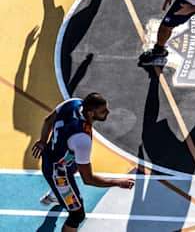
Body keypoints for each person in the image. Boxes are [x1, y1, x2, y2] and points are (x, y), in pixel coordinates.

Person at [32, 93, 134, 231]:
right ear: (91, 114)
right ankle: (57, 192)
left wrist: (43, 140)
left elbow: (48, 120)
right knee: (77, 215)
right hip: (58, 173)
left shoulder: (73, 103)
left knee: (74, 163)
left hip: (54, 154)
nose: (108, 112)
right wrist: (117, 182)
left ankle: (55, 194)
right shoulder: (82, 139)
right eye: (103, 111)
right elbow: (88, 179)